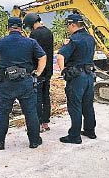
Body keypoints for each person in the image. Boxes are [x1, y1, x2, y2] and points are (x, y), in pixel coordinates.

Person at [0, 17, 47, 150]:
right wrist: (38, 72)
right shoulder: (31, 42)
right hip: (25, 82)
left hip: (7, 83)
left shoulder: (0, 42)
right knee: (30, 112)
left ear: (8, 28)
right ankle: (34, 141)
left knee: (3, 112)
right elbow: (42, 56)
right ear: (22, 28)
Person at [57, 14, 96, 144]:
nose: (68, 28)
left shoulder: (73, 40)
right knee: (88, 105)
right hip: (89, 76)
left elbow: (60, 56)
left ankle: (74, 136)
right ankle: (90, 131)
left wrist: (63, 71)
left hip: (77, 77)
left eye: (68, 25)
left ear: (72, 25)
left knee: (74, 105)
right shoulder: (90, 38)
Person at [23, 13, 54, 132]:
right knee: (46, 96)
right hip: (49, 70)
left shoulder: (35, 34)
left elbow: (33, 52)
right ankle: (46, 123)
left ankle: (39, 124)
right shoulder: (49, 32)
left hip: (38, 70)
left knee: (37, 97)